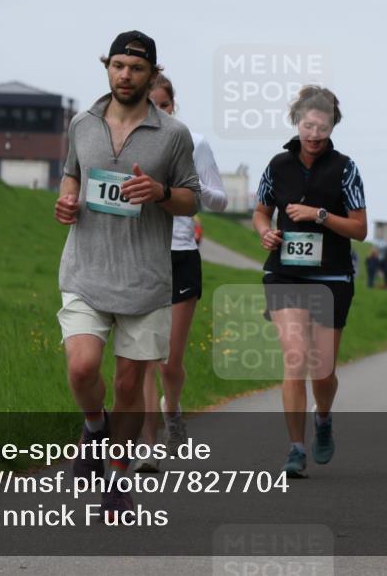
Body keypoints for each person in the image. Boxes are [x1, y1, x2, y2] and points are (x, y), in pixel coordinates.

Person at [54, 31, 200, 516]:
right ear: (107, 67)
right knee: (81, 367)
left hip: (145, 281)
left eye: (135, 69)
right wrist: (68, 198)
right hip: (86, 271)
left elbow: (192, 198)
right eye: (117, 65)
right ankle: (94, 426)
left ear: (151, 74)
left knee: (128, 385)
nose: (125, 75)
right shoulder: (82, 123)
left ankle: (117, 477)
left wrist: (159, 192)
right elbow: (72, 171)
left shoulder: (173, 136)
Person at [252, 85, 367, 478]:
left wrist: (320, 215)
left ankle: (323, 417)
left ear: (333, 125)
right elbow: (261, 212)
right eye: (308, 125)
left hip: (332, 276)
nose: (315, 133)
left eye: (323, 125)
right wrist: (264, 231)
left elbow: (360, 229)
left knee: (322, 369)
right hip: (283, 273)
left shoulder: (346, 168)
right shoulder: (277, 165)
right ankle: (295, 448)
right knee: (296, 358)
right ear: (296, 122)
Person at [134, 74, 228, 473]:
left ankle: (172, 409)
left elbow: (220, 201)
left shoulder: (195, 142)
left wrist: (192, 189)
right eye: (150, 107)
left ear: (175, 106)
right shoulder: (130, 146)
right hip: (141, 254)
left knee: (170, 361)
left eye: (165, 106)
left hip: (181, 254)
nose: (158, 114)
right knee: (143, 356)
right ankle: (147, 445)